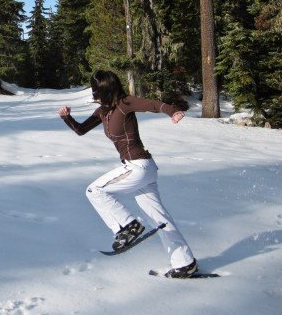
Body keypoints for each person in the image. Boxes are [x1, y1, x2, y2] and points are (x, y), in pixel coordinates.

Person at [58, 70, 198, 278]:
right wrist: (67, 118)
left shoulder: (125, 103)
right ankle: (185, 263)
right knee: (159, 218)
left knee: (94, 190)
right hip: (143, 169)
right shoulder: (103, 111)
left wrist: (172, 112)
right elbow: (81, 130)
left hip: (138, 167)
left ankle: (127, 226)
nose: (94, 93)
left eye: (96, 90)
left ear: (105, 89)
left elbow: (152, 104)